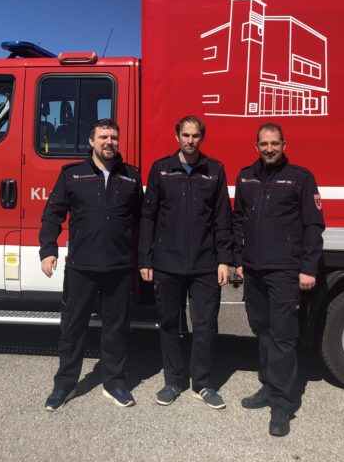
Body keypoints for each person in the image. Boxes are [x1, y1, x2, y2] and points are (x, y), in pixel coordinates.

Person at [39, 118, 143, 410]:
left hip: (119, 267)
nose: (109, 142)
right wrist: (48, 250)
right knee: (72, 328)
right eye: (103, 137)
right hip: (82, 266)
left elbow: (141, 220)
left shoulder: (131, 177)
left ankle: (114, 383)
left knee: (116, 329)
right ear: (91, 141)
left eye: (114, 138)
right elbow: (53, 214)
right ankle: (65, 385)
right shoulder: (72, 175)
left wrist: (142, 259)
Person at [232, 123, 324, 437]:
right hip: (253, 270)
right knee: (263, 331)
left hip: (285, 271)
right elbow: (238, 220)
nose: (269, 149)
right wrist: (238, 260)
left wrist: (308, 268)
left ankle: (282, 404)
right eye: (264, 144)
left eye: (274, 143)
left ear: (285, 144)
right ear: (256, 146)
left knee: (283, 337)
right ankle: (268, 387)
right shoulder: (246, 177)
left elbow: (313, 226)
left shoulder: (300, 178)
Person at [139, 115, 232, 409]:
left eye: (195, 136)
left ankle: (201, 383)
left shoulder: (214, 170)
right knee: (169, 324)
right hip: (167, 263)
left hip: (205, 264)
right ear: (177, 136)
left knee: (204, 326)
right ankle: (172, 381)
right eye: (186, 135)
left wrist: (224, 260)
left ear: (201, 138)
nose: (190, 140)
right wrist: (145, 259)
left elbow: (222, 218)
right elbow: (148, 217)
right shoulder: (161, 170)